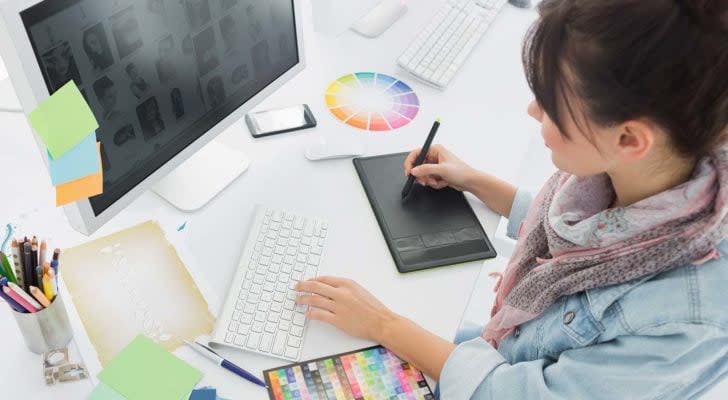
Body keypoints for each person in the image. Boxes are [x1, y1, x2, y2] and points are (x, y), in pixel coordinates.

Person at [294, 1, 728, 399]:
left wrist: (383, 324)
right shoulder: (666, 168)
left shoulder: (684, 321)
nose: (533, 111)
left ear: (629, 138)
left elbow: (511, 393)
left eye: (551, 104)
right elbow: (590, 234)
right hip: (498, 348)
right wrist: (477, 182)